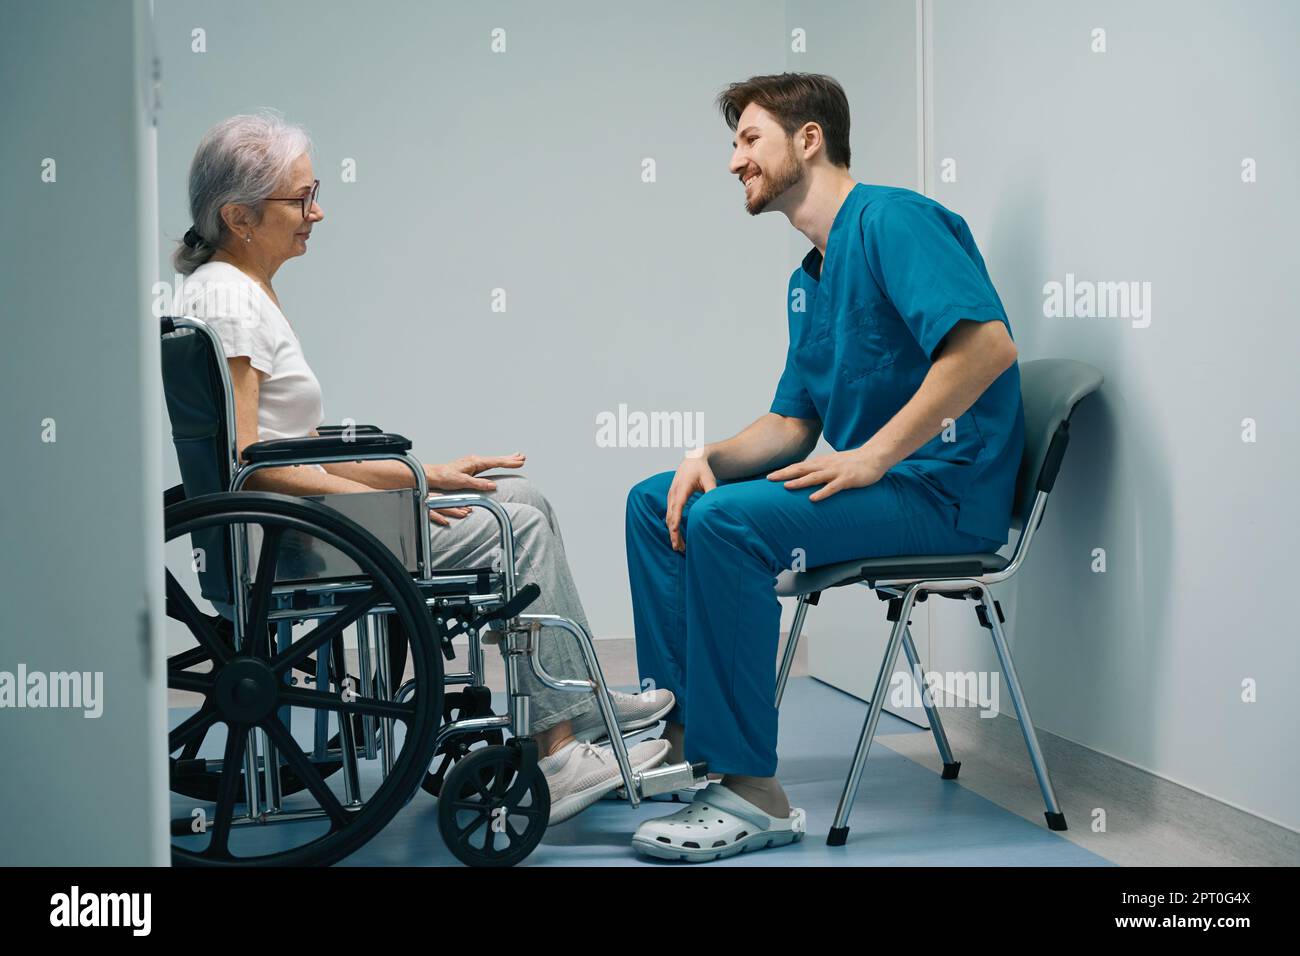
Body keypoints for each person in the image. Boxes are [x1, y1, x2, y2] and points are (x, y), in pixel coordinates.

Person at [172, 111, 672, 825]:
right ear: (240, 216)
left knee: (519, 494)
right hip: (290, 539)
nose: (320, 211)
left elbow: (294, 450)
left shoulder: (233, 290)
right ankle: (559, 752)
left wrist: (427, 474)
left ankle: (575, 698)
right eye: (302, 198)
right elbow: (254, 467)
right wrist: (396, 501)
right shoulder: (229, 298)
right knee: (515, 526)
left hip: (297, 522)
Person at [626, 73, 1025, 862]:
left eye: (748, 139)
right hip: (879, 486)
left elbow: (987, 348)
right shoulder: (808, 280)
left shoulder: (895, 221)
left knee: (729, 522)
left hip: (944, 492)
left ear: (808, 139)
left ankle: (752, 795)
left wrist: (876, 453)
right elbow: (791, 425)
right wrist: (702, 455)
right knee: (657, 501)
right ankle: (682, 744)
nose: (734, 161)